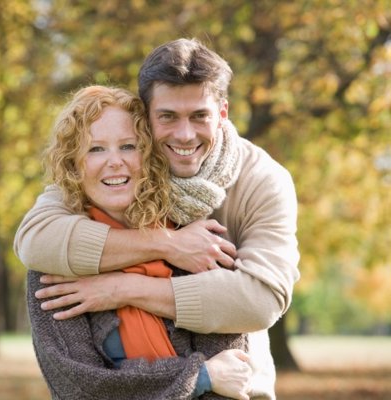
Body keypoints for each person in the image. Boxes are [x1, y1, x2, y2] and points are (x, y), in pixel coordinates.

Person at [16, 38, 300, 399]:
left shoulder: (261, 182)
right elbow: (35, 240)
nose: (184, 135)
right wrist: (168, 245)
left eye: (199, 115)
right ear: (146, 118)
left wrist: (122, 289)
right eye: (168, 117)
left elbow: (258, 301)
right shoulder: (109, 178)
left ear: (223, 113)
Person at [27, 84, 252, 399]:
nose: (115, 161)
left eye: (129, 146)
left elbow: (232, 369)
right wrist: (200, 376)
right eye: (96, 149)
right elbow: (81, 387)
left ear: (149, 155)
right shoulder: (55, 263)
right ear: (73, 165)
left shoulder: (197, 244)